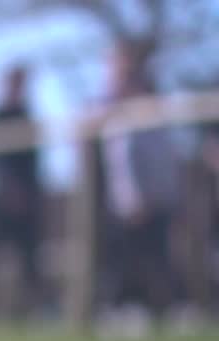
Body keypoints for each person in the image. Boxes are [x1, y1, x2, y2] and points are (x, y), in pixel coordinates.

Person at [96, 42, 181, 321]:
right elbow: (123, 164)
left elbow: (163, 157)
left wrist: (166, 194)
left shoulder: (152, 110)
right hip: (130, 205)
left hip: (158, 199)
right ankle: (123, 309)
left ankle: (160, 308)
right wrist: (132, 200)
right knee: (127, 261)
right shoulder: (115, 116)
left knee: (158, 258)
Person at [0, 64, 46, 321]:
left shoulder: (29, 116)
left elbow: (34, 161)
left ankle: (35, 311)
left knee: (30, 260)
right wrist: (7, 189)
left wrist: (27, 194)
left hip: (27, 202)